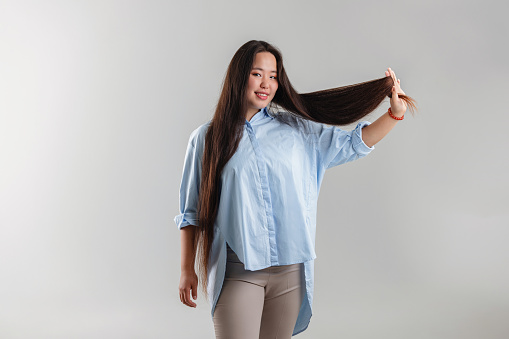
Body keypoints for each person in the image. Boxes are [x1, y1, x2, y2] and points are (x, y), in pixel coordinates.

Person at [175, 40, 416, 338]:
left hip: (290, 275)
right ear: (238, 77)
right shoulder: (206, 138)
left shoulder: (297, 130)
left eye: (273, 76)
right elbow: (191, 212)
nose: (266, 84)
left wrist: (395, 113)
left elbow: (355, 143)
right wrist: (188, 269)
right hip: (238, 273)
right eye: (257, 74)